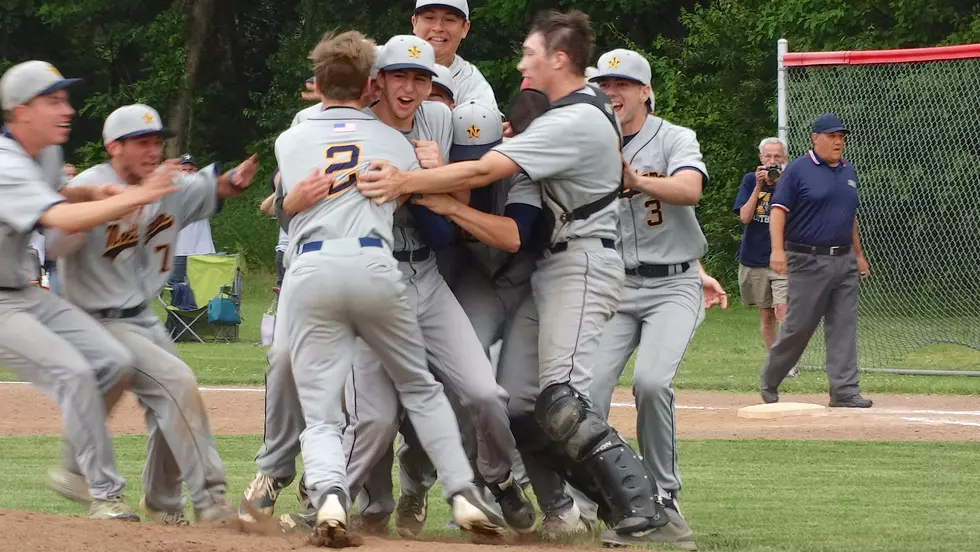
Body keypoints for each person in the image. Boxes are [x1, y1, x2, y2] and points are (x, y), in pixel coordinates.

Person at [356, 10, 675, 547]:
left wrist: (413, 180)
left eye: (530, 53)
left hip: (580, 261)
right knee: (526, 410)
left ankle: (646, 511)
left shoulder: (568, 119)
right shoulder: (582, 110)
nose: (522, 62)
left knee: (560, 401)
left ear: (559, 58)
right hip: (553, 265)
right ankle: (608, 504)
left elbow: (486, 177)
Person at [268, 30, 506, 543]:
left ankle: (497, 487)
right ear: (375, 83)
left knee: (484, 392)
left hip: (420, 273)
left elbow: (453, 209)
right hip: (375, 272)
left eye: (423, 78)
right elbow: (287, 205)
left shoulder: (437, 120)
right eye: (402, 74)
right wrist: (418, 179)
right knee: (375, 416)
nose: (413, 87)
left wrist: (434, 175)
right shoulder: (371, 134)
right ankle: (333, 502)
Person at [49, 103, 258, 524]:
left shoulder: (169, 184)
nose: (152, 150)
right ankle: (210, 503)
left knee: (174, 399)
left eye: (157, 142)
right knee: (177, 383)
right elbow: (54, 238)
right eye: (141, 142)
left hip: (142, 318)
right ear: (113, 146)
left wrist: (234, 180)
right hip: (94, 318)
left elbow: (215, 188)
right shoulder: (92, 186)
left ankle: (161, 501)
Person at [0, 59, 178, 521]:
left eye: (66, 98)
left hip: (23, 290)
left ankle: (74, 470)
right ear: (20, 111)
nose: (68, 109)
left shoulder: (45, 153)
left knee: (114, 362)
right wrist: (137, 194)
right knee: (73, 372)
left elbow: (59, 195)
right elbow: (59, 220)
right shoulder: (5, 163)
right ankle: (105, 495)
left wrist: (91, 194)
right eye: (53, 100)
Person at [582, 48, 726, 549]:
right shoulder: (587, 141)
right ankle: (597, 501)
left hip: (673, 285)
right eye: (603, 84)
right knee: (587, 394)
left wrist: (638, 179)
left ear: (645, 91)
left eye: (623, 84)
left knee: (650, 381)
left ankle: (664, 498)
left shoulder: (673, 136)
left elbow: (690, 189)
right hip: (617, 287)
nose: (612, 92)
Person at [762, 113, 872, 408]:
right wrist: (777, 250)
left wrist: (859, 256)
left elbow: (849, 216)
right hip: (807, 260)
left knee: (843, 326)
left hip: (844, 260)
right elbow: (778, 210)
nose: (838, 142)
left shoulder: (848, 170)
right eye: (832, 136)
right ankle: (771, 378)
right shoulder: (798, 170)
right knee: (799, 326)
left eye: (842, 137)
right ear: (815, 138)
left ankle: (844, 391)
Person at [734, 137, 792, 360]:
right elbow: (745, 217)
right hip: (755, 257)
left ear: (785, 159)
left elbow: (796, 218)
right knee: (767, 315)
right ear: (760, 158)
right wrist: (759, 185)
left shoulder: (791, 181)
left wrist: (779, 185)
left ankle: (788, 360)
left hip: (783, 258)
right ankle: (776, 360)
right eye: (768, 156)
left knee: (783, 311)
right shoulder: (750, 180)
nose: (772, 161)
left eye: (777, 157)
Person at [412, 0, 497, 109]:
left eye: (449, 20)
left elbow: (488, 120)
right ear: (414, 22)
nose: (438, 28)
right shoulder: (388, 67)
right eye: (429, 18)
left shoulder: (471, 83)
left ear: (465, 28)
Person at [171, 153, 216, 285]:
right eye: (183, 170)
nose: (187, 173)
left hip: (202, 248)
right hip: (179, 249)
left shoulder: (204, 188)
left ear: (196, 171)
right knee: (177, 287)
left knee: (203, 286)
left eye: (190, 170)